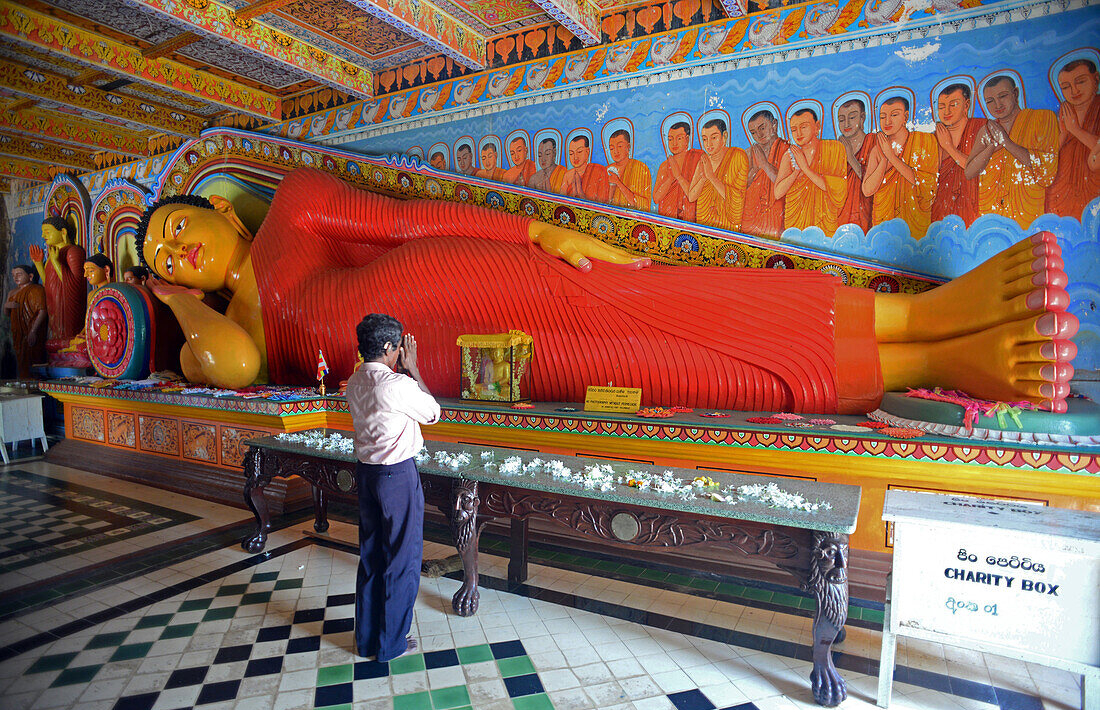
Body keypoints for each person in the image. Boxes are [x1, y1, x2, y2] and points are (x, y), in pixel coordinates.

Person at [137, 168, 1076, 414]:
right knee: (667, 366)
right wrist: (174, 298)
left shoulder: (297, 205)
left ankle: (930, 313)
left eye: (179, 223)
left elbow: (411, 220)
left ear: (219, 208)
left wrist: (539, 231)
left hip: (459, 275)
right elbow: (234, 366)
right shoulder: (235, 327)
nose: (176, 245)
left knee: (665, 302)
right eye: (163, 253)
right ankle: (943, 361)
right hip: (459, 367)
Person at [345, 313, 441, 662]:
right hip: (397, 477)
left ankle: (368, 640)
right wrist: (413, 369)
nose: (400, 351)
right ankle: (391, 644)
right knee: (402, 558)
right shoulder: (397, 385)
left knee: (371, 556)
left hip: (367, 475)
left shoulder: (356, 381)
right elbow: (433, 413)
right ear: (388, 347)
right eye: (398, 346)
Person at [965, 75, 1058, 228]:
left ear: (1015, 93)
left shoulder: (1042, 118)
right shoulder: (987, 130)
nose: (997, 104)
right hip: (992, 212)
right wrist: (991, 148)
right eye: (990, 101)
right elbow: (969, 172)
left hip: (1027, 211)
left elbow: (1046, 167)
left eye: (1003, 96)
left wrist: (1007, 142)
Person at [862, 96, 938, 239]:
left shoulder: (924, 141)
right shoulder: (877, 150)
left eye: (894, 115)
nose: (887, 121)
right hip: (883, 220)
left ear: (906, 116)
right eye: (883, 116)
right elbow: (867, 190)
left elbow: (926, 184)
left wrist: (892, 157)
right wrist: (884, 159)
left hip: (914, 220)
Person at [774, 109, 847, 236]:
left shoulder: (833, 149)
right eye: (794, 130)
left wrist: (806, 169)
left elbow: (837, 189)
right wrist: (796, 171)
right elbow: (778, 193)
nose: (799, 133)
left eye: (803, 127)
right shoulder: (790, 156)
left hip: (824, 220)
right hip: (796, 221)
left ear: (817, 126)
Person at [1046, 59, 1100, 219]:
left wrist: (1075, 130)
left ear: (1095, 79)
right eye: (1066, 87)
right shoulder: (1062, 115)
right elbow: (1049, 158)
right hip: (1062, 191)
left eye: (1081, 81)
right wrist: (1063, 133)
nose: (1074, 90)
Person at [30, 216, 86, 357]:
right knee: (53, 340)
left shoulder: (73, 252)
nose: (43, 236)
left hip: (68, 305)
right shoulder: (52, 255)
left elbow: (75, 285)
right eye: (43, 232)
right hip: (53, 304)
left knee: (67, 338)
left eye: (48, 232)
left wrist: (55, 262)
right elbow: (48, 283)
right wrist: (38, 264)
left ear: (63, 232)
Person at [932, 83, 985, 226]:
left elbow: (978, 169)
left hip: (973, 204)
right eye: (942, 107)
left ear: (966, 105)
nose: (946, 111)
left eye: (953, 105)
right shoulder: (933, 138)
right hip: (941, 208)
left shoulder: (981, 129)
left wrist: (949, 147)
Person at [687, 118, 747, 230]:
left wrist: (712, 177)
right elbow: (691, 197)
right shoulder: (703, 161)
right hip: (703, 221)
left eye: (714, 138)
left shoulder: (737, 156)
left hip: (726, 226)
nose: (708, 144)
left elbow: (737, 199)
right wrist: (703, 178)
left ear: (724, 136)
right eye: (705, 139)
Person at [742, 109, 788, 239]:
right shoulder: (750, 153)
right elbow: (739, 189)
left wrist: (765, 164)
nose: (759, 134)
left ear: (774, 124)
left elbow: (785, 186)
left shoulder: (787, 150)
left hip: (776, 214)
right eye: (753, 132)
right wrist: (754, 171)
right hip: (751, 215)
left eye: (762, 128)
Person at [835, 99, 875, 231]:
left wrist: (850, 157)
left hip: (865, 212)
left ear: (862, 118)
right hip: (840, 214)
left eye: (852, 117)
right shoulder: (836, 148)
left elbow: (872, 183)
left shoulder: (873, 142)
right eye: (841, 119)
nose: (846, 123)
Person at [653, 121, 702, 221]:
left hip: (690, 217)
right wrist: (671, 178)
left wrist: (679, 176)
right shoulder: (665, 165)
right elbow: (656, 198)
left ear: (687, 139)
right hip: (668, 217)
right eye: (670, 139)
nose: (674, 143)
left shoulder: (697, 159)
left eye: (679, 138)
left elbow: (695, 195)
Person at [5, 264, 47, 378]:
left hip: (32, 331)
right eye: (13, 275)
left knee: (33, 359)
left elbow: (42, 311)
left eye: (19, 274)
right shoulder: (12, 293)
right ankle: (24, 381)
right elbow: (6, 314)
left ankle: (33, 384)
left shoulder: (36, 289)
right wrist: (6, 306)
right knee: (21, 360)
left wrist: (33, 331)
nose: (15, 278)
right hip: (18, 334)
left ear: (30, 276)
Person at [606, 129, 652, 211]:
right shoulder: (607, 170)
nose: (615, 151)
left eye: (620, 146)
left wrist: (618, 183)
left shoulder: (640, 168)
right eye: (612, 148)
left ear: (628, 147)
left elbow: (643, 205)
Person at [562, 135, 609, 203]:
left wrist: (581, 195)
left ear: (587, 152)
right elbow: (562, 200)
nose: (575, 157)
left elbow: (603, 202)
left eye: (579, 152)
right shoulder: (568, 175)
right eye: (571, 153)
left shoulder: (598, 171)